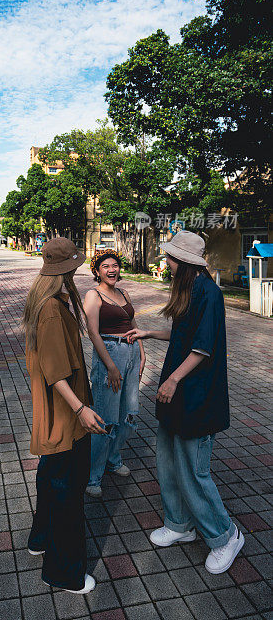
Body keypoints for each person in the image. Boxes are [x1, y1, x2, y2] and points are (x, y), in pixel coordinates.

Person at [124, 230, 244, 574]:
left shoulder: (208, 292)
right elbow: (183, 335)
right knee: (168, 462)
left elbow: (203, 347)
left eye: (171, 257)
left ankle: (226, 536)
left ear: (185, 262)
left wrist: (174, 379)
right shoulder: (188, 289)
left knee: (194, 470)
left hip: (197, 397)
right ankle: (179, 524)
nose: (167, 261)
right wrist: (149, 332)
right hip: (176, 396)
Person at [24, 237, 107, 594]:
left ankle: (40, 538)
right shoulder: (53, 311)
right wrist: (81, 410)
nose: (77, 271)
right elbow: (56, 372)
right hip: (66, 415)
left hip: (57, 415)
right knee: (67, 491)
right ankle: (63, 572)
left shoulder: (48, 299)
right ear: (64, 270)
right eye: (73, 267)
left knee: (50, 477)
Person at [84, 249, 146, 497]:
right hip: (109, 354)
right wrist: (110, 365)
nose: (111, 270)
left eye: (115, 265)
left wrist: (142, 352)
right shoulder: (93, 294)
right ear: (97, 271)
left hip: (130, 354)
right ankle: (94, 476)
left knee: (129, 414)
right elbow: (93, 332)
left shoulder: (124, 293)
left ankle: (113, 458)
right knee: (105, 418)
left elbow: (133, 325)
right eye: (105, 266)